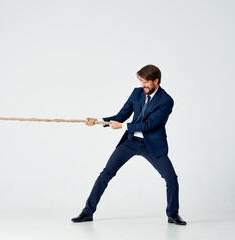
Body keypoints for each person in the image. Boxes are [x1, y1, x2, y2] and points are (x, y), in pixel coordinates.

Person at [71, 64, 186, 225]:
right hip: (130, 142)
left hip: (151, 145)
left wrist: (123, 126)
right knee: (106, 174)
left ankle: (173, 214)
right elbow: (121, 115)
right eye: (141, 82)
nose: (143, 86)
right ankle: (87, 212)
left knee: (171, 178)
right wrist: (97, 121)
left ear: (156, 81)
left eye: (146, 82)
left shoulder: (166, 101)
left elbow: (149, 125)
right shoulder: (136, 93)